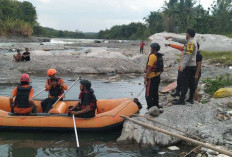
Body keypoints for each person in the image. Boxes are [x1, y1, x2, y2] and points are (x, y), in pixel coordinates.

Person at [165, 29, 197, 105]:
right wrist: (171, 37)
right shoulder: (190, 41)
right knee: (191, 82)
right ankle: (190, 99)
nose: (185, 35)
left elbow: (188, 55)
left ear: (188, 35)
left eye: (186, 34)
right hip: (192, 65)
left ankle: (182, 100)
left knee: (185, 83)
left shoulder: (190, 43)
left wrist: (182, 65)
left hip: (188, 66)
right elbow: (181, 40)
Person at [144, 43, 163, 109]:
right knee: (155, 92)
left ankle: (150, 107)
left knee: (148, 94)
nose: (150, 49)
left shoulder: (152, 56)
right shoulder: (159, 56)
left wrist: (145, 79)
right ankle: (156, 105)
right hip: (157, 77)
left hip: (151, 78)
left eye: (151, 48)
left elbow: (149, 68)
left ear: (153, 49)